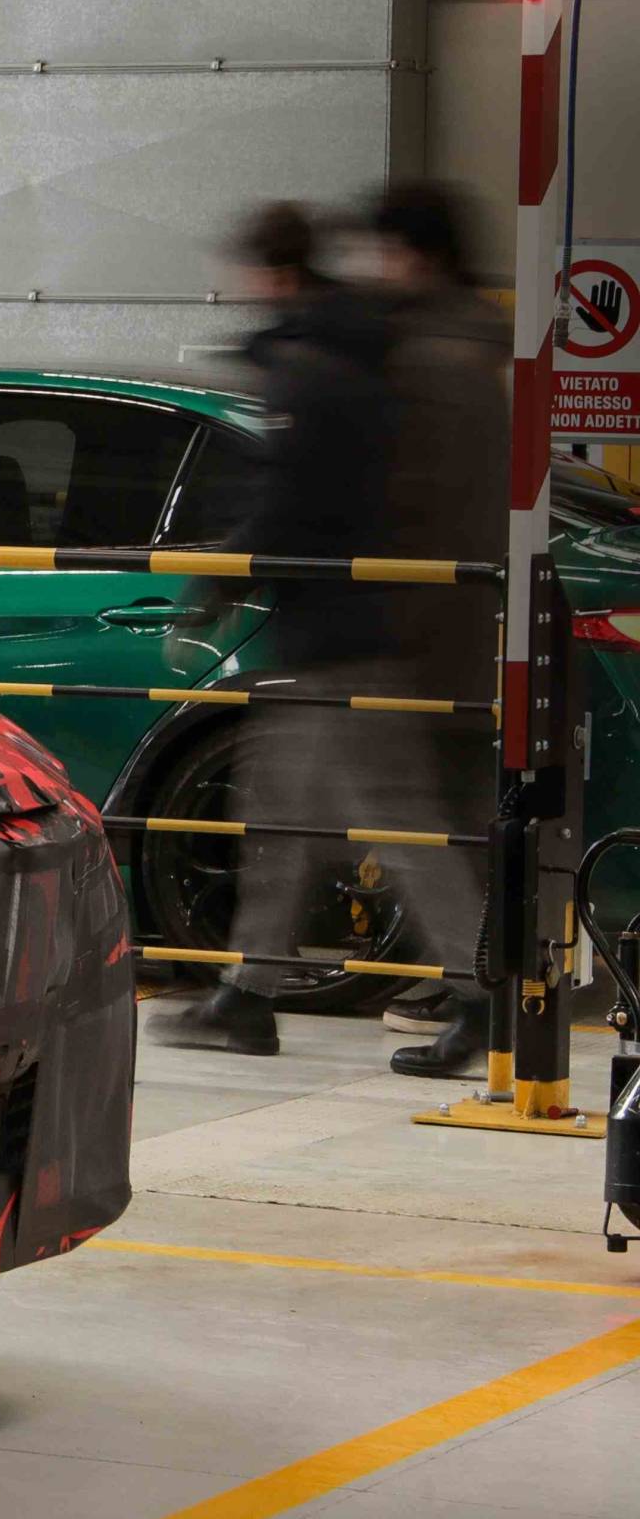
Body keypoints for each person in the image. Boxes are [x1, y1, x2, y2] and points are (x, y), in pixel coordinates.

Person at [157, 200, 414, 1058]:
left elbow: (283, 503)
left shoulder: (308, 372)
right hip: (355, 625)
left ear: (271, 273)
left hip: (328, 635)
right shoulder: (351, 356)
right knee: (332, 815)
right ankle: (250, 992)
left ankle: (472, 984)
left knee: (337, 818)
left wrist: (213, 590)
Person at [358, 180, 510, 1077]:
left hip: (418, 630)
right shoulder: (474, 348)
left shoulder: (430, 360)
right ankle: (481, 990)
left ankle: (478, 997)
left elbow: (412, 504)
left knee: (416, 819)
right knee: (453, 823)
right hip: (461, 627)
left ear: (415, 253)